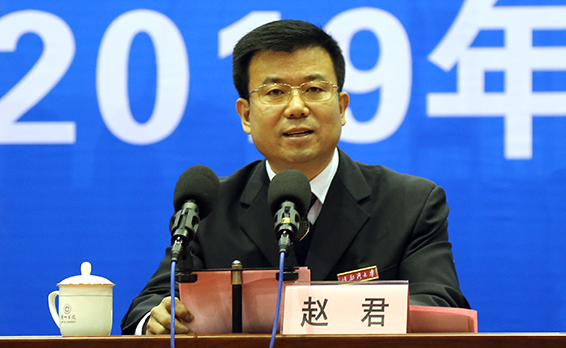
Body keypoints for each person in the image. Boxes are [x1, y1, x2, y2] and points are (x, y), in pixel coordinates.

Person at [121, 19, 469, 335]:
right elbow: (147, 306)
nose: (297, 107)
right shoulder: (210, 206)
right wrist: (155, 320)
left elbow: (439, 304)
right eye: (275, 92)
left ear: (342, 107)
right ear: (246, 115)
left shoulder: (409, 203)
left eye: (314, 89)